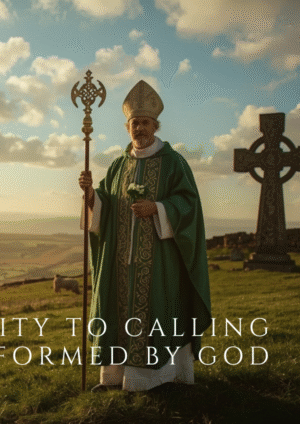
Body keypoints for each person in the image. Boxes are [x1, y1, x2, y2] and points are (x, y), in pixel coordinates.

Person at [79, 80, 211, 392]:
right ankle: (114, 379)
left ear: (155, 126)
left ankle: (159, 379)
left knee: (159, 314)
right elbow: (106, 204)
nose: (139, 128)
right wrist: (91, 195)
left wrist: (159, 208)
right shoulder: (118, 165)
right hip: (120, 263)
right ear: (128, 128)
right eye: (134, 123)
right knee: (116, 314)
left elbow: (188, 204)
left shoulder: (173, 162)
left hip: (161, 263)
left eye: (145, 123)